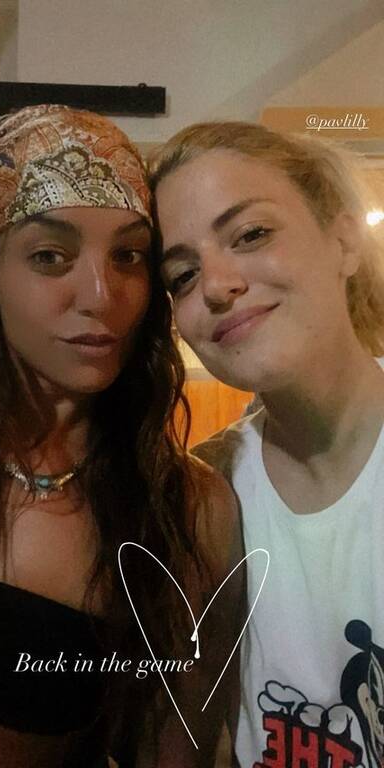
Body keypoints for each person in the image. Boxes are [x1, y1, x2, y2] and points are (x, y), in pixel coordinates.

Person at [0, 105, 242, 768]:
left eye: (128, 256)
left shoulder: (182, 510)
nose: (101, 295)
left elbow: (175, 747)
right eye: (50, 256)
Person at [149, 121, 384, 768]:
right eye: (183, 275)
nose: (216, 285)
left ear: (343, 240)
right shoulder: (207, 499)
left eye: (251, 234)